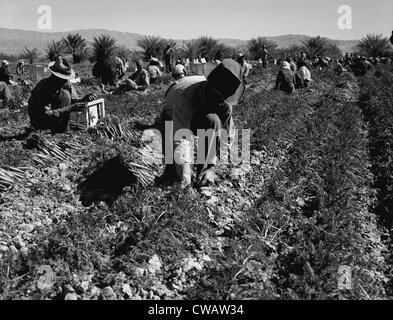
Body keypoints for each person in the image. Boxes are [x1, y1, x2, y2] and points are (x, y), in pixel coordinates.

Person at [155, 59, 245, 188]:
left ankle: (203, 175)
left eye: (221, 99)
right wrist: (185, 180)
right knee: (171, 145)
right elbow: (181, 140)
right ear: (208, 86)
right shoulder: (183, 98)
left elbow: (227, 135)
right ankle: (171, 174)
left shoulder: (224, 104)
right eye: (215, 96)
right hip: (172, 107)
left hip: (198, 109)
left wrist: (213, 166)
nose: (218, 101)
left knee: (213, 121)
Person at [28, 56, 96, 134]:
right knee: (65, 94)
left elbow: (71, 102)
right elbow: (46, 113)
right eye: (62, 78)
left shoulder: (65, 83)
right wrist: (69, 108)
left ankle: (62, 128)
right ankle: (60, 130)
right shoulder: (43, 88)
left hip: (57, 118)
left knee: (66, 95)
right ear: (55, 76)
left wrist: (83, 100)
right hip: (40, 121)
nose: (65, 81)